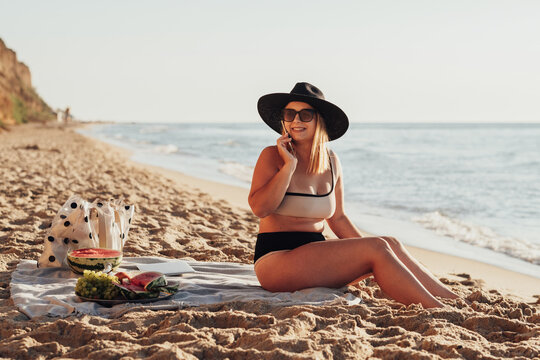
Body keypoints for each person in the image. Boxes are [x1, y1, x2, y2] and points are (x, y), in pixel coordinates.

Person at [249, 82, 459, 308]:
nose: (296, 121)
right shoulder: (272, 156)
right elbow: (261, 208)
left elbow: (337, 218)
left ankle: (453, 300)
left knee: (389, 243)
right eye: (290, 114)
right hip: (277, 261)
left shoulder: (330, 160)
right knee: (377, 247)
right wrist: (288, 167)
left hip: (315, 255)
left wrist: (369, 252)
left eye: (305, 114)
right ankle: (438, 309)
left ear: (319, 120)